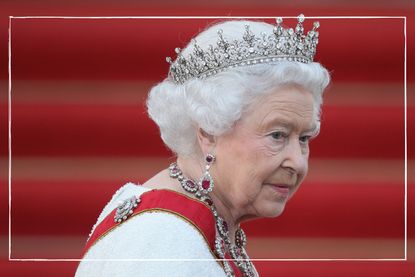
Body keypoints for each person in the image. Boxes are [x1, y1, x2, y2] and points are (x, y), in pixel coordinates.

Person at [76, 14, 330, 277]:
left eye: (303, 139)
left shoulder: (200, 225)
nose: (297, 162)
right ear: (209, 132)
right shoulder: (162, 243)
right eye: (277, 135)